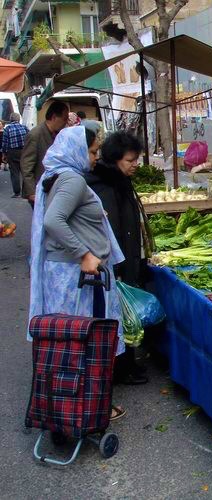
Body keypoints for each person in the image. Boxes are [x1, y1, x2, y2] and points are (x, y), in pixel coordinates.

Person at [28, 125, 126, 420]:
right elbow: (54, 221)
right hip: (74, 276)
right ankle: (86, 406)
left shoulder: (58, 175)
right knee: (83, 339)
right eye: (93, 151)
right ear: (76, 151)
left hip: (63, 272)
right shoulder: (72, 179)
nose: (96, 157)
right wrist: (84, 254)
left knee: (68, 340)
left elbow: (65, 217)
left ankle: (66, 404)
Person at [86, 131, 153, 385]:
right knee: (118, 314)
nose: (135, 164)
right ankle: (120, 368)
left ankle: (128, 364)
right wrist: (121, 265)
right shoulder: (104, 185)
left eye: (136, 159)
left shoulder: (119, 179)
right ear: (115, 159)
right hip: (116, 259)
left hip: (127, 255)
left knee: (126, 314)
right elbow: (111, 228)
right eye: (130, 160)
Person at [21, 100, 69, 205]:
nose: (66, 122)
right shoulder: (35, 135)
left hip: (51, 188)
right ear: (54, 117)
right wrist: (32, 192)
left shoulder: (57, 134)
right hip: (39, 190)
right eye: (64, 119)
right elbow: (26, 166)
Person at [1, 113, 29, 198]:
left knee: (14, 172)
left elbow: (5, 142)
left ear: (11, 119)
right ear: (18, 119)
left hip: (12, 152)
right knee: (25, 171)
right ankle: (26, 191)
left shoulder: (8, 129)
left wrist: (4, 154)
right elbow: (30, 139)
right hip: (24, 151)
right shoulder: (24, 127)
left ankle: (17, 192)